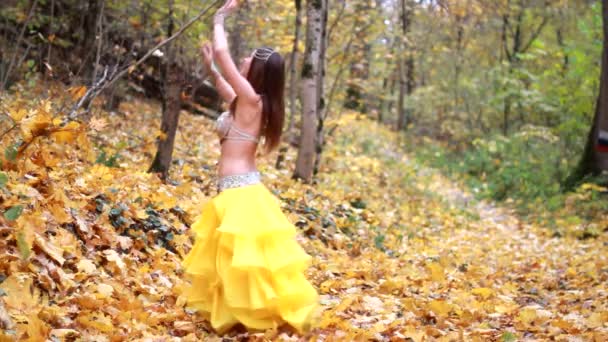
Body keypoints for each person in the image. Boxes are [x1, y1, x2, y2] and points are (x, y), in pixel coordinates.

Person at [181, 0, 318, 334]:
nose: (243, 58)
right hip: (233, 191)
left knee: (247, 263)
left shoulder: (254, 101)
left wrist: (219, 19)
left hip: (241, 191)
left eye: (250, 57)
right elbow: (224, 85)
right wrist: (210, 68)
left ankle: (262, 317)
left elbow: (226, 56)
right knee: (233, 262)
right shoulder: (246, 102)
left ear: (256, 71)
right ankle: (239, 318)